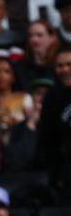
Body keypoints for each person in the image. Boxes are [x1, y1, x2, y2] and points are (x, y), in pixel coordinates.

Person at [37, 49, 71, 198]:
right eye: (60, 66)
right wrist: (55, 175)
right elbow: (49, 140)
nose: (65, 69)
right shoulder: (52, 97)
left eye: (69, 64)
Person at [0, 58, 32, 143]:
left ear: (13, 77)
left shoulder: (24, 99)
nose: (1, 76)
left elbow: (31, 126)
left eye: (7, 72)